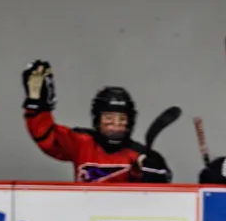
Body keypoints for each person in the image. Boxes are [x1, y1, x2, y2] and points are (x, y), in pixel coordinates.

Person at [21, 60, 172, 183]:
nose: (115, 124)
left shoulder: (139, 155)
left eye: (122, 119)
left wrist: (154, 169)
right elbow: (46, 136)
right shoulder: (82, 142)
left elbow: (164, 186)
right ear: (97, 120)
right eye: (108, 118)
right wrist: (37, 105)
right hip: (85, 216)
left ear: (130, 122)